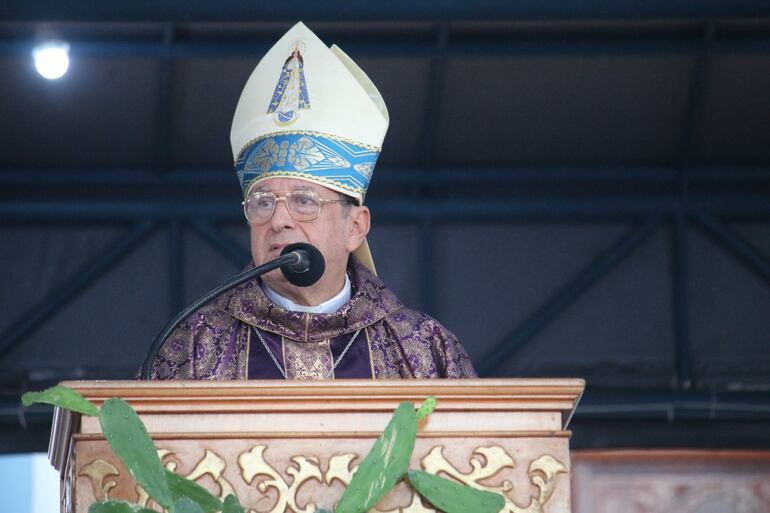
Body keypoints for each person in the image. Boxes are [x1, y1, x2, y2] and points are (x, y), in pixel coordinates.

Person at [150, 22, 476, 380]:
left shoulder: (424, 349)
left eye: (304, 201)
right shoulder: (197, 346)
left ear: (355, 226)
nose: (278, 220)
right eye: (261, 202)